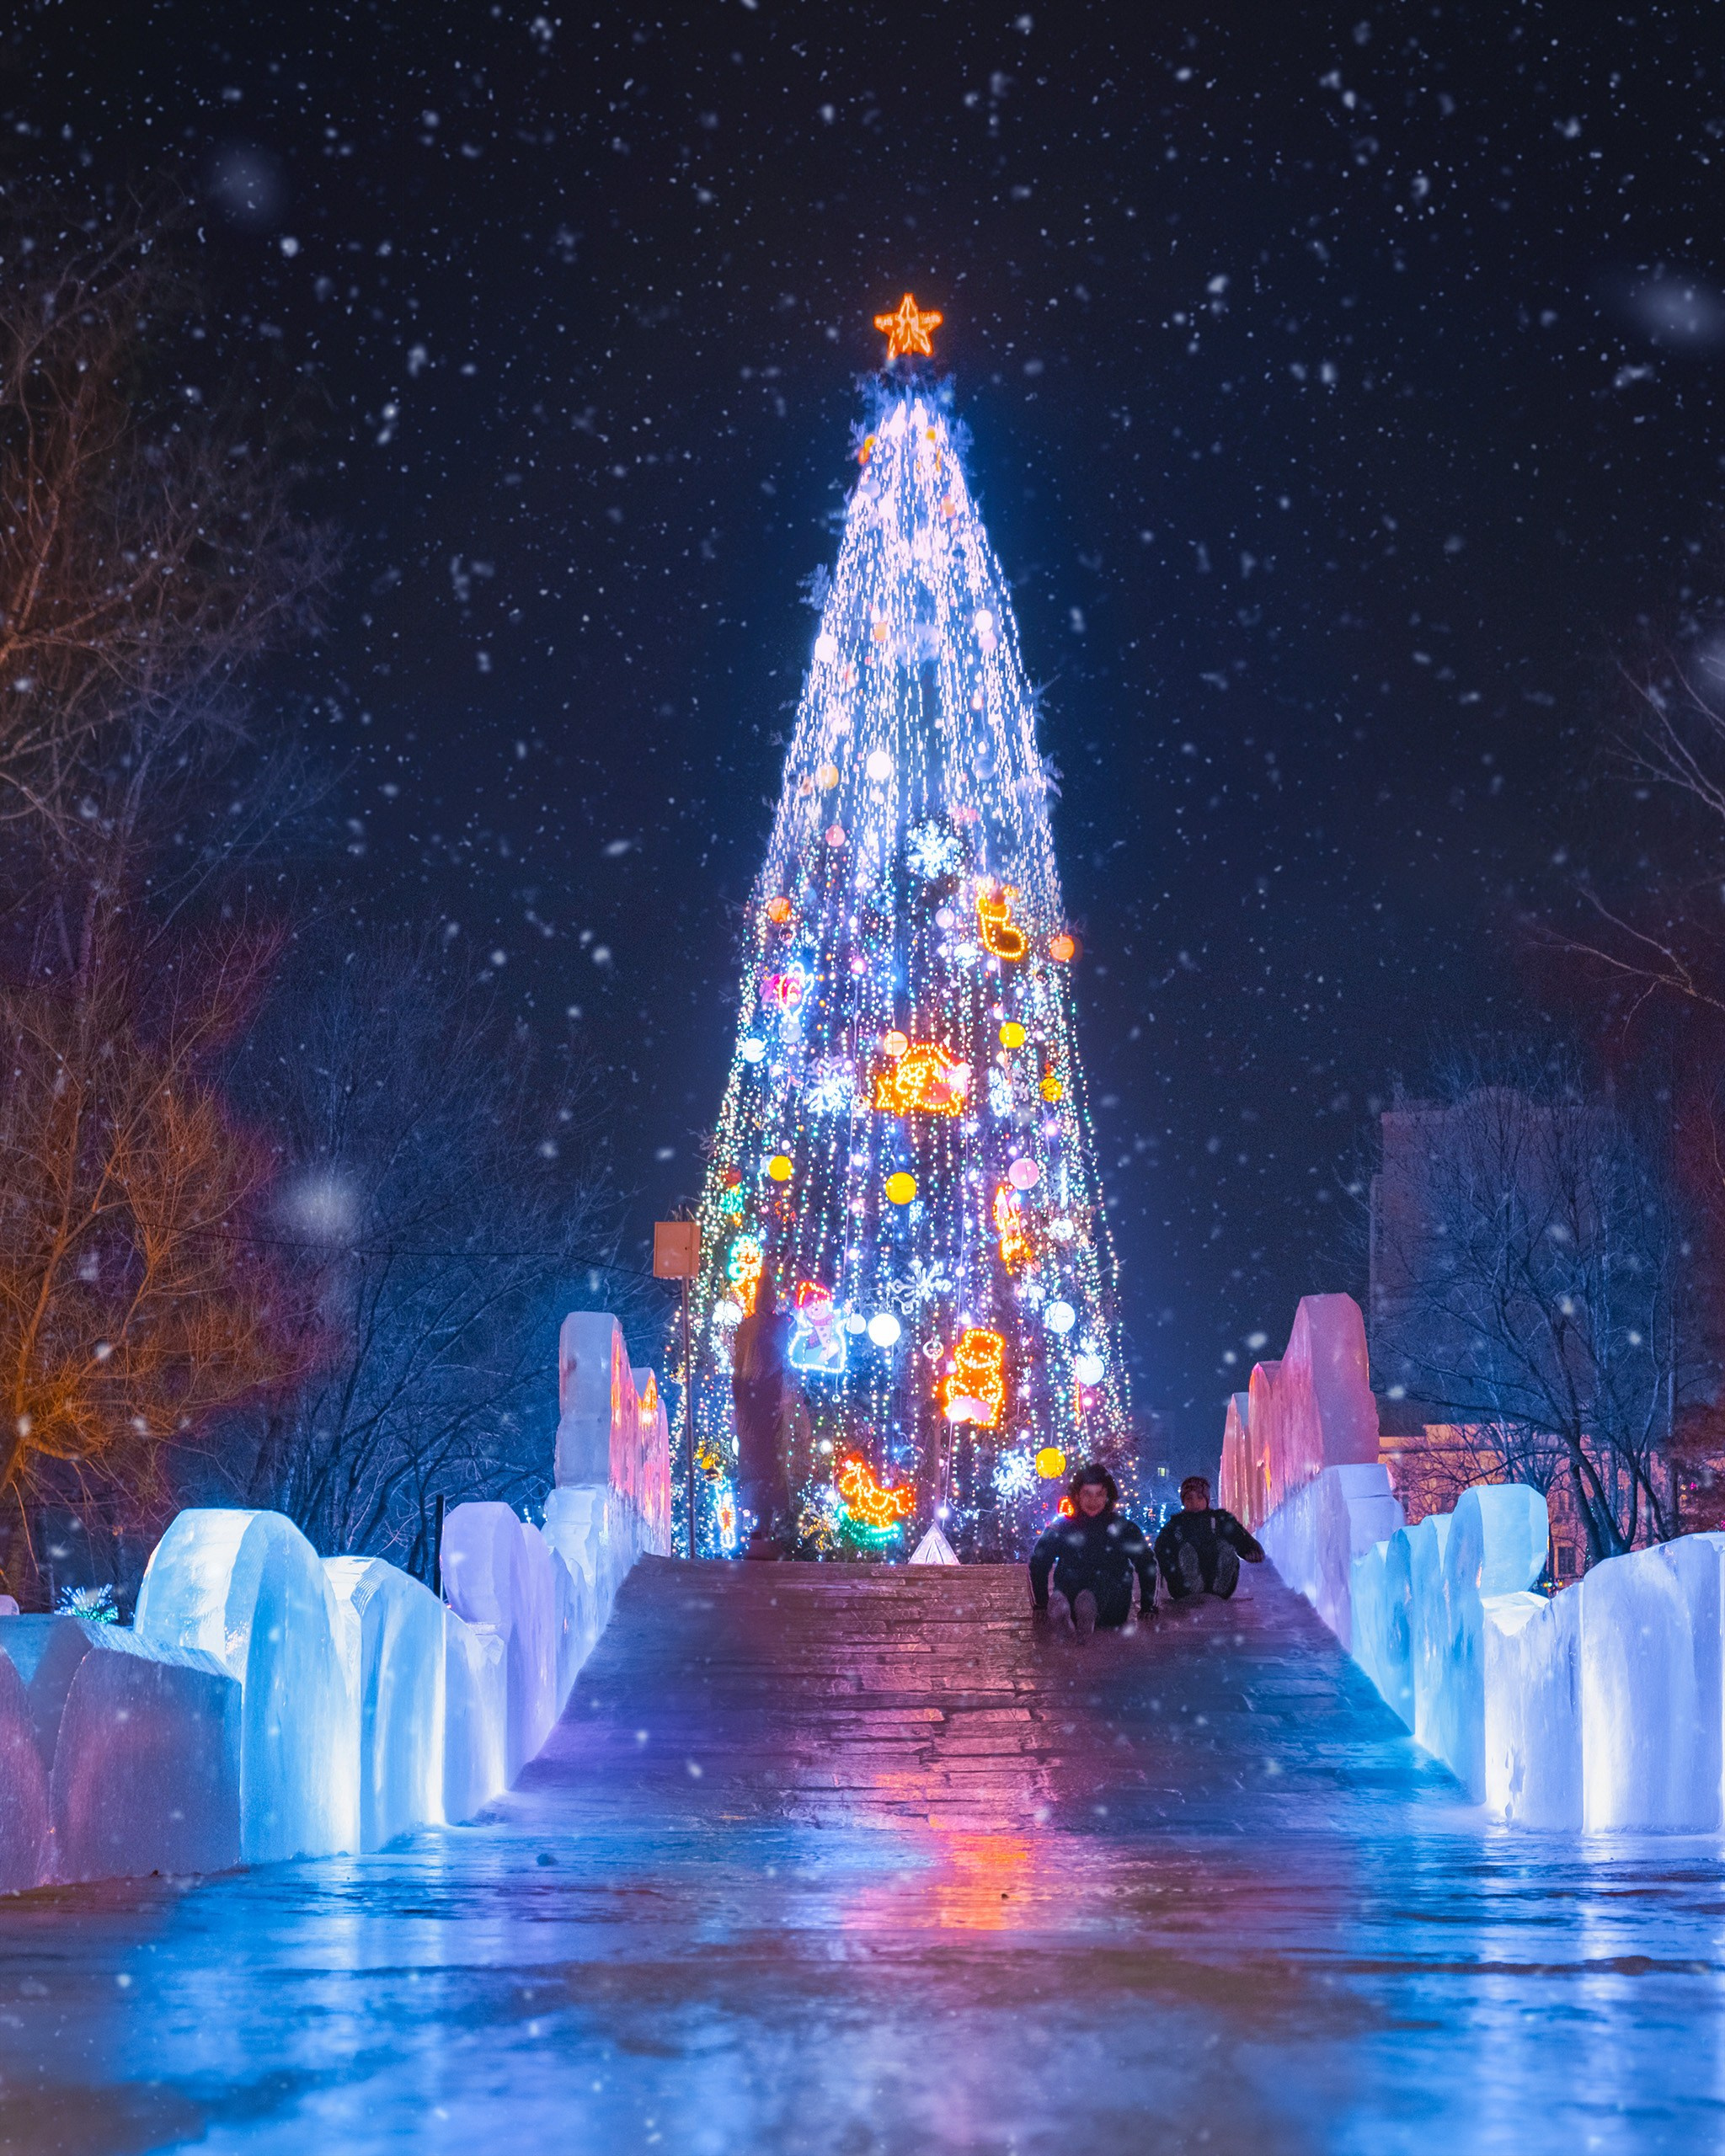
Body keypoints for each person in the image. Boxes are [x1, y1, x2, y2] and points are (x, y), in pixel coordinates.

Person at [1028, 1464, 1157, 1641]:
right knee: (1071, 1581)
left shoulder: (1123, 1528)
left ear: (1108, 1497)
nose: (1093, 1500)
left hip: (1112, 1607)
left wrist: (1148, 1606)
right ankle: (1063, 1611)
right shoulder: (1062, 1528)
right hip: (1072, 1596)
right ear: (1077, 1496)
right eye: (1087, 1494)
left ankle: (1087, 1610)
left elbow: (1147, 1563)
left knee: (1102, 1581)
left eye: (1099, 1494)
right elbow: (1038, 1563)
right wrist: (1040, 1604)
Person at [730, 1277, 793, 1556]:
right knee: (768, 1463)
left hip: (753, 1401)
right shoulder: (778, 1325)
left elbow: (738, 1367)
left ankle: (759, 1527)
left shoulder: (748, 1327)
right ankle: (765, 1527)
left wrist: (740, 1400)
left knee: (756, 1464)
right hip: (766, 1401)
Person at [1154, 1476, 1265, 1601]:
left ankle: (1220, 1585)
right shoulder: (1175, 1525)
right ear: (1183, 1501)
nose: (1194, 1503)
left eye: (1200, 1498)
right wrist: (1167, 1569)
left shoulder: (1220, 1519)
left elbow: (1240, 1537)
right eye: (1189, 1498)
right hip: (1183, 1588)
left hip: (1218, 1586)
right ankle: (1192, 1585)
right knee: (1186, 1551)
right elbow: (1161, 1551)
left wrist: (1251, 1551)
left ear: (1207, 1499)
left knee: (1226, 1547)